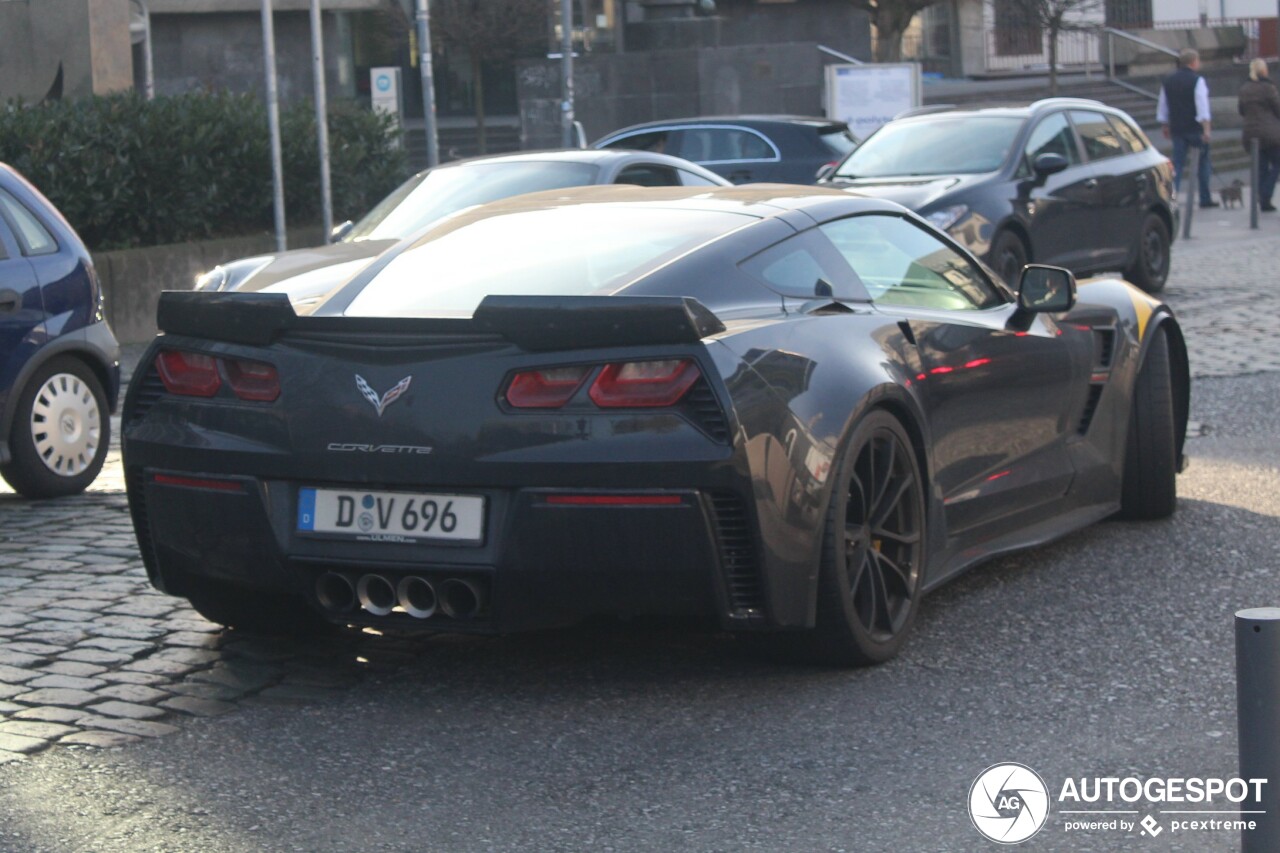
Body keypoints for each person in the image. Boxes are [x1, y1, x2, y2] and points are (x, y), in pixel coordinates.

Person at [1158, 48, 1217, 208]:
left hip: (1177, 127)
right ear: (1193, 62)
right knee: (1203, 162)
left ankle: (1173, 196)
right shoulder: (1197, 80)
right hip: (1195, 128)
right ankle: (1205, 197)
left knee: (1177, 164)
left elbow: (1163, 105)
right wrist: (1206, 129)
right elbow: (1202, 106)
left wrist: (1165, 124)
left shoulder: (1168, 81)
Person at [1238, 58, 1280, 212]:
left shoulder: (1244, 88)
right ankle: (1265, 194)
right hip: (1270, 134)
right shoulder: (1268, 88)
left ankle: (1264, 200)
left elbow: (1241, 110)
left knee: (1261, 167)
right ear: (1264, 70)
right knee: (1277, 163)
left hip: (1250, 133)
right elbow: (1278, 109)